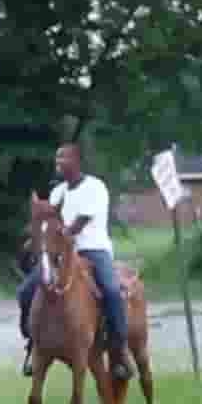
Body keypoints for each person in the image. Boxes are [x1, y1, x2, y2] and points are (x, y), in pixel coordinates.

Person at [17, 141, 132, 380]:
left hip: (92, 250)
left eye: (64, 158)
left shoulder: (95, 187)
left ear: (77, 161)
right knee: (26, 290)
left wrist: (62, 235)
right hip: (61, 254)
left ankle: (118, 351)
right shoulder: (58, 192)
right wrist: (37, 238)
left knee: (111, 290)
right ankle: (32, 344)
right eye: (57, 158)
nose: (58, 163)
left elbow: (80, 222)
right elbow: (49, 221)